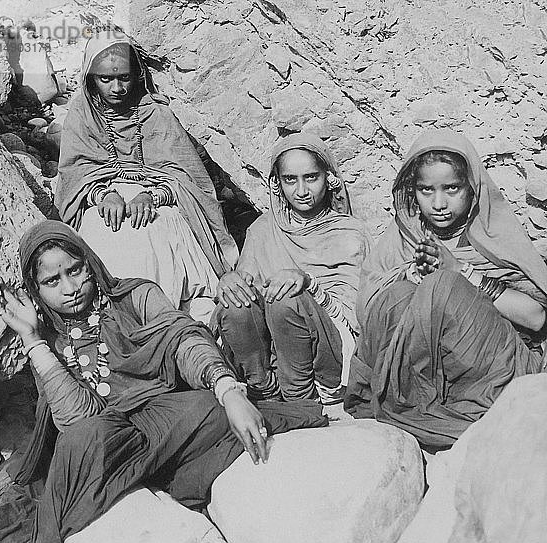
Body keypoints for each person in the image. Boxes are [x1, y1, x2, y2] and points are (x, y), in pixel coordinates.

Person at [0, 221, 326, 543]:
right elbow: (79, 419)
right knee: (83, 439)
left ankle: (136, 482)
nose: (70, 287)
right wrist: (32, 339)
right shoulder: (46, 339)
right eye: (52, 281)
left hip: (170, 420)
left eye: (75, 270)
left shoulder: (136, 296)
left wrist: (229, 392)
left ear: (89, 262)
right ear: (36, 291)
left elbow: (185, 341)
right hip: (108, 440)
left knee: (207, 406)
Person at [345, 130, 547, 448]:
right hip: (420, 372)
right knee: (397, 294)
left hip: (492, 368)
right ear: (413, 192)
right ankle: (414, 406)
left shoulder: (492, 233)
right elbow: (369, 313)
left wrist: (460, 272)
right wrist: (410, 277)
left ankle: (432, 414)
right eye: (427, 190)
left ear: (471, 188)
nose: (439, 203)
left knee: (442, 285)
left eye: (451, 188)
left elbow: (536, 317)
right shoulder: (403, 237)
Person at [55, 29, 238, 324]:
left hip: (160, 204)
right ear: (90, 79)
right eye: (106, 79)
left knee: (158, 232)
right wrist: (103, 194)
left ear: (137, 75)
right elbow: (74, 177)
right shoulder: (81, 115)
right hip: (102, 206)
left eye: (124, 77)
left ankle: (168, 321)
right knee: (100, 240)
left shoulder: (158, 115)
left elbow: (187, 179)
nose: (117, 88)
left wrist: (152, 195)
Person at [215, 133, 370, 407]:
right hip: (275, 356)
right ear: (277, 184)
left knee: (287, 298)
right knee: (235, 305)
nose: (301, 190)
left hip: (328, 355)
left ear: (329, 178)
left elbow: (358, 317)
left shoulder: (349, 232)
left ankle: (300, 399)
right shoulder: (263, 230)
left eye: (311, 177)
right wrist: (229, 281)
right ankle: (263, 388)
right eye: (290, 180)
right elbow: (246, 285)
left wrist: (308, 284)